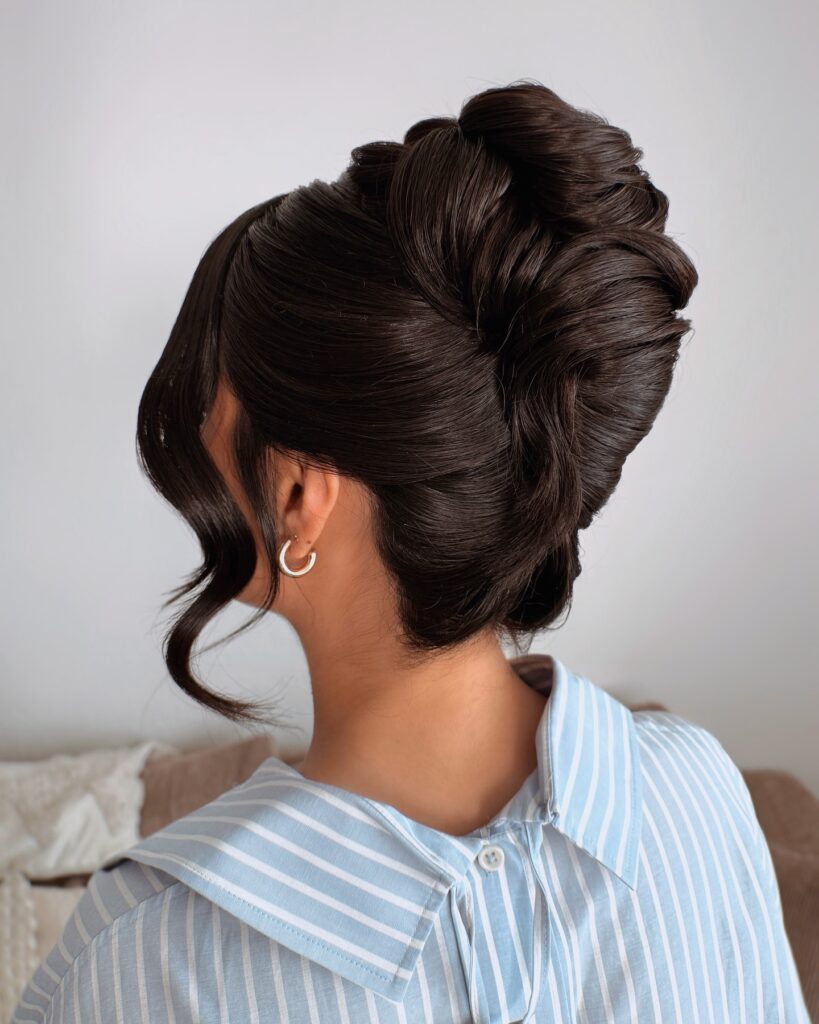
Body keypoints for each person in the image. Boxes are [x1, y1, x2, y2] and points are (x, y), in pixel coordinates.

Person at [13, 79, 809, 1023]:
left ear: (297, 498)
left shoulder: (142, 959)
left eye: (207, 409)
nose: (194, 442)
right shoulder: (694, 789)